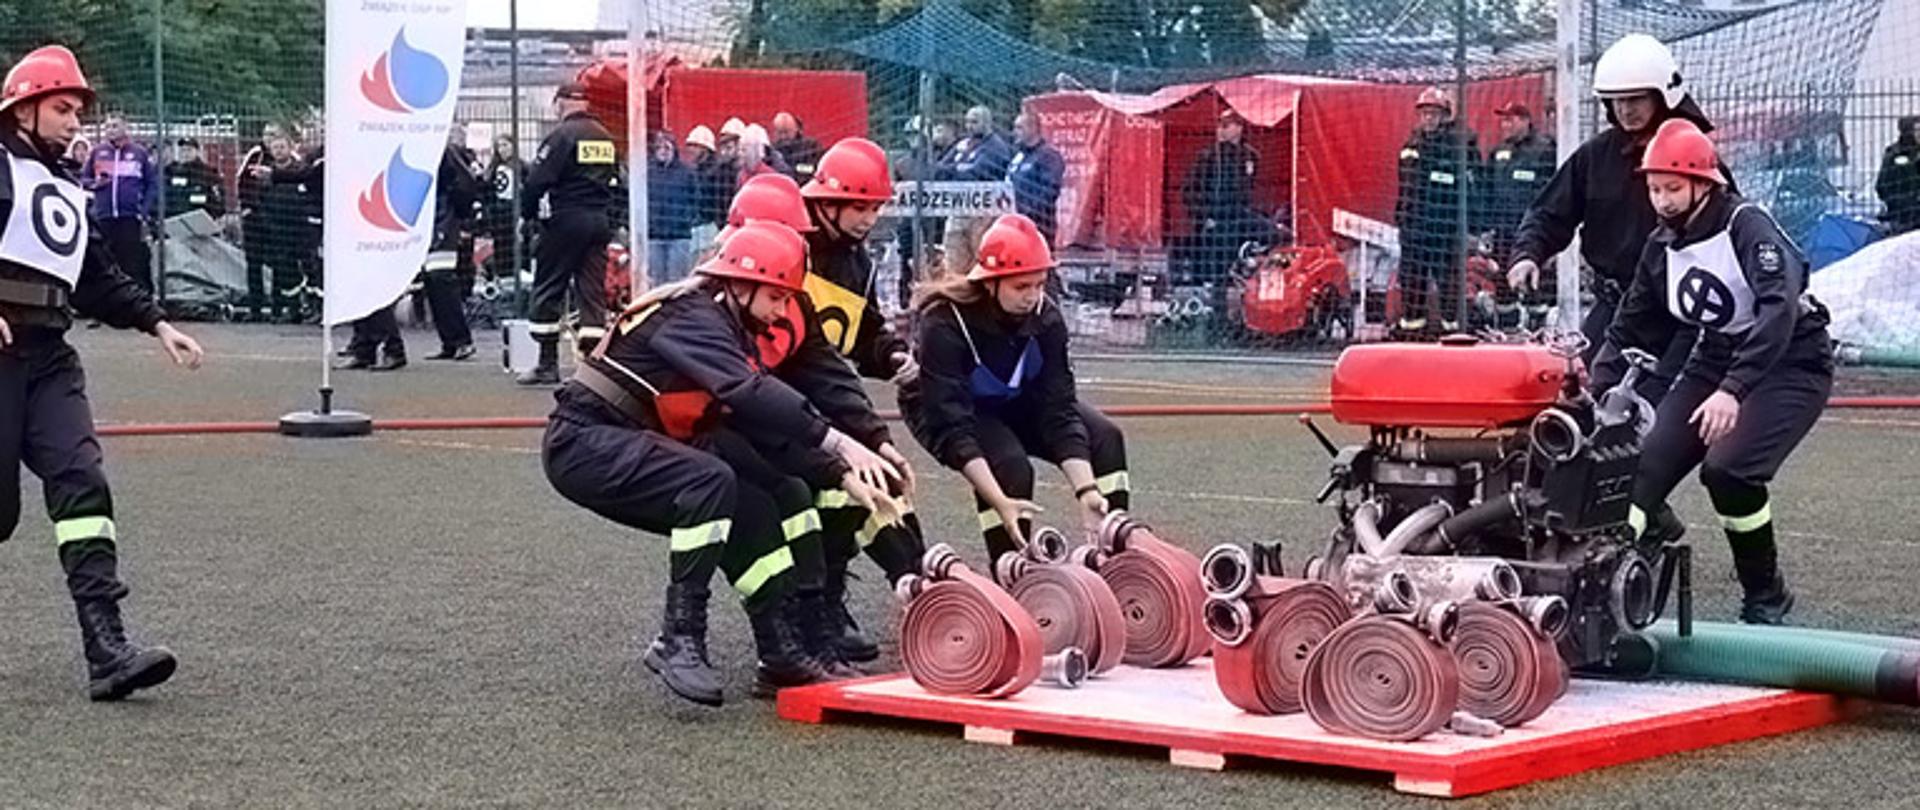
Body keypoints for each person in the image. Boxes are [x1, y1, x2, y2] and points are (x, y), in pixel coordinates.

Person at [542, 221, 901, 706]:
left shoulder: (726, 328)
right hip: (586, 439)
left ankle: (782, 653)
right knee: (710, 480)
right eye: (776, 298)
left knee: (768, 495)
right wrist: (838, 442)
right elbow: (747, 392)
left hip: (635, 435)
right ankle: (679, 636)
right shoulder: (692, 316)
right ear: (740, 283)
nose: (780, 314)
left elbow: (757, 427)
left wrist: (837, 471)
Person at [0, 44, 206, 701]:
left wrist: (156, 322)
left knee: (82, 483)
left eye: (78, 111)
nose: (73, 122)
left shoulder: (65, 186)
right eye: (61, 108)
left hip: (50, 358)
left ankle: (107, 648)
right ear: (23, 108)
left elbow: (92, 277)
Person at [1588, 120, 1831, 625]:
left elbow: (1778, 310)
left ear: (1705, 183)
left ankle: (1766, 595)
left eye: (1673, 188)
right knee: (1636, 472)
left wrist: (1732, 391)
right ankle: (1601, 599)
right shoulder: (1662, 244)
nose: (1662, 200)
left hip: (1791, 359)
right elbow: (1633, 320)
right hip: (1717, 354)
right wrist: (1596, 383)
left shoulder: (1747, 224)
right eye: (1654, 189)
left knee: (1729, 470)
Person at [899, 214, 1130, 574]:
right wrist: (1001, 502)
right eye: (1021, 287)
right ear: (990, 282)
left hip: (1012, 398)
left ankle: (1113, 554)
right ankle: (1012, 568)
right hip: (946, 410)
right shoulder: (944, 323)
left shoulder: (1046, 318)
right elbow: (954, 426)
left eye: (1039, 284)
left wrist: (1086, 492)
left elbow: (1059, 410)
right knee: (1010, 466)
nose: (1033, 296)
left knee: (1105, 437)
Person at [1506, 33, 1720, 400]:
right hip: (1614, 307)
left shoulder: (1697, 158)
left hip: (1677, 315)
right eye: (1616, 100)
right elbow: (1549, 212)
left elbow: (1725, 233)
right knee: (1585, 401)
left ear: (1662, 95)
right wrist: (1528, 254)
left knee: (1660, 416)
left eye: (1635, 98)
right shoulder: (1596, 157)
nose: (1625, 109)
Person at [518, 81, 620, 385]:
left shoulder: (562, 136)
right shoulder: (606, 138)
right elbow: (618, 183)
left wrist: (528, 215)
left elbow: (536, 182)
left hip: (565, 220)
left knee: (550, 285)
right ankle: (593, 369)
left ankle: (547, 363)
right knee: (592, 293)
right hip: (599, 222)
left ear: (561, 102)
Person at [1393, 86, 1480, 336]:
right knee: (1412, 282)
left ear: (1445, 115)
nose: (1428, 118)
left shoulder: (1459, 146)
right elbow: (1404, 187)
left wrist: (1473, 227)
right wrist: (1401, 218)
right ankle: (1412, 331)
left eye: (1433, 113)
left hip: (1445, 229)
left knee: (1449, 283)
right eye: (1424, 113)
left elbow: (1474, 186)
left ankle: (1451, 332)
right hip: (1414, 229)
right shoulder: (1411, 144)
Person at [1480, 103, 1556, 327]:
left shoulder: (1545, 150)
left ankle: (1538, 326)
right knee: (1503, 282)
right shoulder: (1498, 152)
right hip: (1503, 229)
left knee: (1535, 280)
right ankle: (1507, 326)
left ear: (1525, 121)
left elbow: (1552, 190)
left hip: (1532, 229)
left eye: (1510, 120)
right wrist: (1486, 228)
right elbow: (1488, 189)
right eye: (1503, 121)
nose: (1505, 125)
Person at [422, 123, 484, 362]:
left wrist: (457, 215)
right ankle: (450, 341)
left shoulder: (442, 151)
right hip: (431, 220)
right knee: (433, 282)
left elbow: (465, 184)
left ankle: (461, 340)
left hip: (441, 220)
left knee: (441, 278)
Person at [1181, 109, 1261, 286]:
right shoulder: (1207, 157)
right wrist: (1204, 216)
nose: (1220, 130)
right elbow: (1189, 191)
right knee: (1212, 268)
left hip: (1238, 221)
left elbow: (1250, 189)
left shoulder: (1250, 156)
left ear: (1238, 128)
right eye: (1218, 126)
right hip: (1213, 221)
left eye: (1225, 126)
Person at [82, 115, 160, 294]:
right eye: (108, 126)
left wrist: (144, 210)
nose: (111, 129)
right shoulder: (97, 152)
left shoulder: (139, 153)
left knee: (131, 262)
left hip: (129, 216)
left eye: (115, 125)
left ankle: (136, 304)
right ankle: (104, 306)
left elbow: (152, 184)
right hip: (104, 216)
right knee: (105, 262)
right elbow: (83, 179)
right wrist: (95, 184)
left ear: (126, 127)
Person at [938, 106, 1013, 277]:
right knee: (953, 257)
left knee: (981, 257)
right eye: (967, 121)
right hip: (958, 207)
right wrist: (959, 168)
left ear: (987, 123)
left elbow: (978, 172)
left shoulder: (996, 147)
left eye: (974, 121)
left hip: (983, 210)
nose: (969, 126)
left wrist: (956, 169)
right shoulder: (963, 144)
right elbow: (941, 168)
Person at [646, 130, 698, 285]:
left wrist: (686, 220)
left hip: (679, 236)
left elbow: (695, 199)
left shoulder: (686, 172)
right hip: (654, 236)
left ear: (674, 149)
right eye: (659, 147)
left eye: (666, 147)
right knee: (656, 283)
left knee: (677, 283)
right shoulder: (647, 172)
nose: (662, 151)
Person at [1007, 112, 1065, 247]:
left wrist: (1029, 212)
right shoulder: (1019, 155)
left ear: (1033, 129)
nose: (1015, 132)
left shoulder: (1048, 156)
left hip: (1039, 224)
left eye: (1019, 128)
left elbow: (1050, 190)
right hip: (1015, 221)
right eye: (1015, 128)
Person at [483, 133, 527, 284]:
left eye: (505, 145)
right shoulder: (493, 168)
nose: (502, 150)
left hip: (516, 212)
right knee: (501, 246)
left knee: (519, 245)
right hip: (500, 214)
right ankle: (502, 277)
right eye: (499, 146)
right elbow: (487, 190)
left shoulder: (522, 166)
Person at [1876, 116, 1919, 235]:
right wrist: (1907, 202)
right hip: (1902, 216)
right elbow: (1882, 187)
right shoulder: (1894, 154)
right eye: (1917, 130)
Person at [163, 136, 225, 220]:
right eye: (182, 150)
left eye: (189, 150)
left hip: (200, 219)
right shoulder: (170, 171)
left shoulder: (207, 173)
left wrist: (214, 216)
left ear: (197, 152)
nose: (185, 154)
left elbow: (218, 199)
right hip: (174, 219)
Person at [771, 112, 824, 185]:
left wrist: (795, 169)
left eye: (787, 132)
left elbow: (813, 169)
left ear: (796, 129)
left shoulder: (811, 146)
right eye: (780, 132)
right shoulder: (772, 151)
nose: (783, 137)